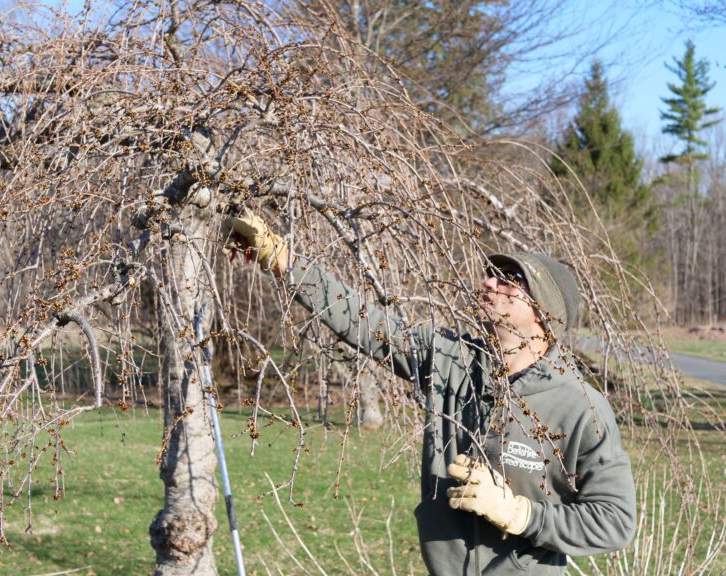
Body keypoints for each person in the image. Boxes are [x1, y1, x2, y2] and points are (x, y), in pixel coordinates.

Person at [224, 211, 636, 576]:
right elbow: (362, 321)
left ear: (544, 311)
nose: (488, 282)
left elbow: (615, 521)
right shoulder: (449, 359)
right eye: (490, 273)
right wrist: (280, 259)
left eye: (510, 279)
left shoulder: (581, 406)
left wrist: (519, 514)